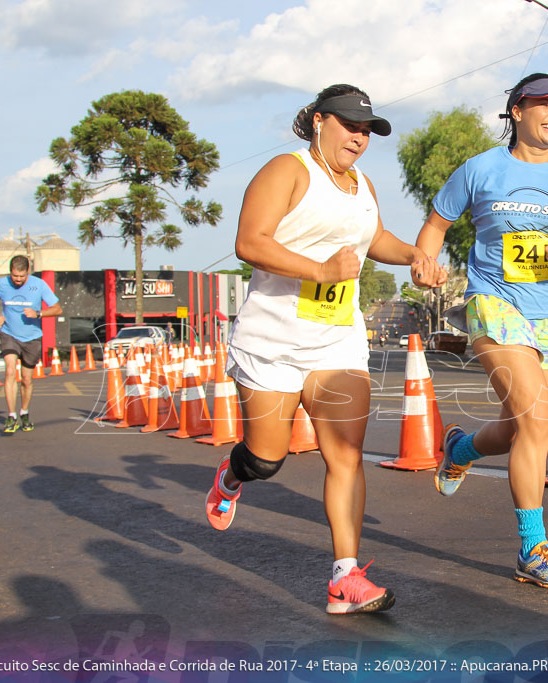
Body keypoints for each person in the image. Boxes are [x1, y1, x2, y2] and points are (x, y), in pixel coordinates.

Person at [204, 84, 445, 615]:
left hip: (336, 338)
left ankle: (345, 577)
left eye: (366, 131)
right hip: (272, 340)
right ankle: (231, 476)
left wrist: (413, 256)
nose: (358, 139)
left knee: (346, 455)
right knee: (267, 460)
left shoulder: (362, 184)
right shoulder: (286, 171)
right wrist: (319, 270)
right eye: (349, 126)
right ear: (318, 121)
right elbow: (250, 241)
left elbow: (372, 237)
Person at [413, 73, 548, 589]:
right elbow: (438, 222)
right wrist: (424, 262)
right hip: (493, 303)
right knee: (537, 419)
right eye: (544, 105)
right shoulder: (481, 168)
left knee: (519, 427)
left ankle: (459, 450)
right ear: (517, 112)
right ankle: (533, 548)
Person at [0, 255, 63, 434]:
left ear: (27, 272)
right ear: (10, 272)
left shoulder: (39, 285)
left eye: (22, 276)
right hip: (9, 334)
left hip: (32, 337)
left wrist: (38, 314)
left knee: (27, 380)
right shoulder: (1, 284)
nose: (18, 280)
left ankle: (24, 412)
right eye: (15, 276)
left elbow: (58, 309)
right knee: (9, 371)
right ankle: (12, 415)